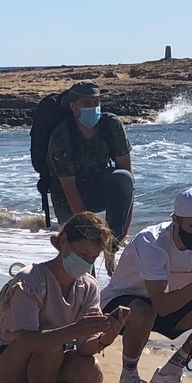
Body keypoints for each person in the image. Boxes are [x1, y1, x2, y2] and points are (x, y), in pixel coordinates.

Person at [0, 212, 122, 383]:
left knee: (91, 372)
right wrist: (76, 330)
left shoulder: (88, 287)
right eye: (82, 254)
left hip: (52, 359)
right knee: (50, 342)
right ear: (61, 243)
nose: (87, 262)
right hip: (8, 363)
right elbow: (27, 340)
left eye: (93, 257)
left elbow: (84, 347)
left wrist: (105, 337)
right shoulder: (31, 279)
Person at [103, 185, 192, 383]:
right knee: (144, 310)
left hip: (170, 300)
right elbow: (160, 305)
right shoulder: (151, 242)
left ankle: (170, 374)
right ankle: (128, 378)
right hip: (120, 302)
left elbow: (177, 299)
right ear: (176, 219)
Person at [47, 81, 133, 263]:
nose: (93, 107)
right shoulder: (62, 136)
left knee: (122, 178)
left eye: (96, 102)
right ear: (73, 107)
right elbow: (69, 188)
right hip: (68, 198)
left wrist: (119, 235)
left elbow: (128, 181)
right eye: (86, 103)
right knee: (81, 256)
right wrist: (91, 233)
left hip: (99, 188)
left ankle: (111, 249)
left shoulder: (111, 126)